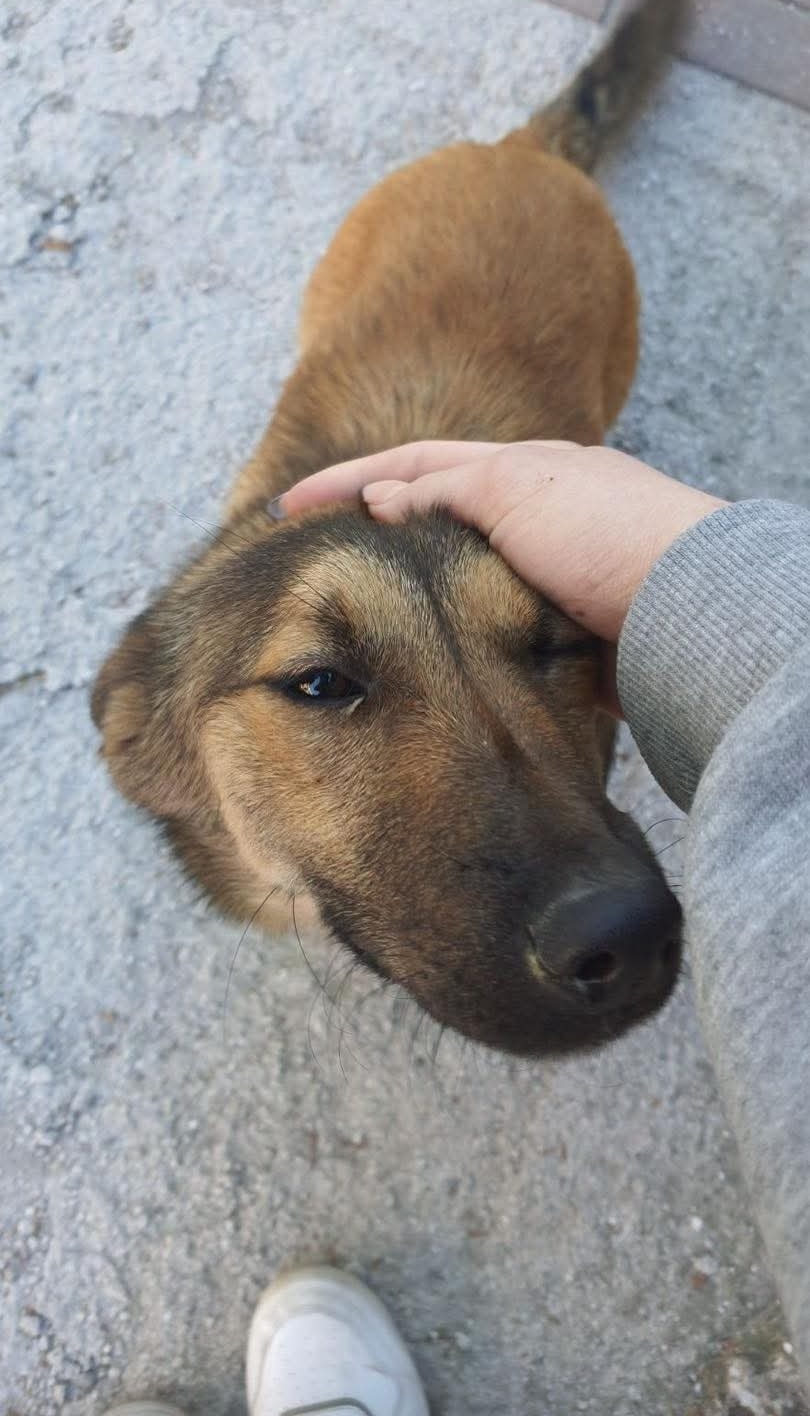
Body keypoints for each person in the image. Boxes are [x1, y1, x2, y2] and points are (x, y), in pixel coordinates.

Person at [107, 439, 810, 1413]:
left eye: (548, 649)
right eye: (322, 683)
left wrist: (684, 578)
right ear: (150, 753)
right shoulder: (168, 720)